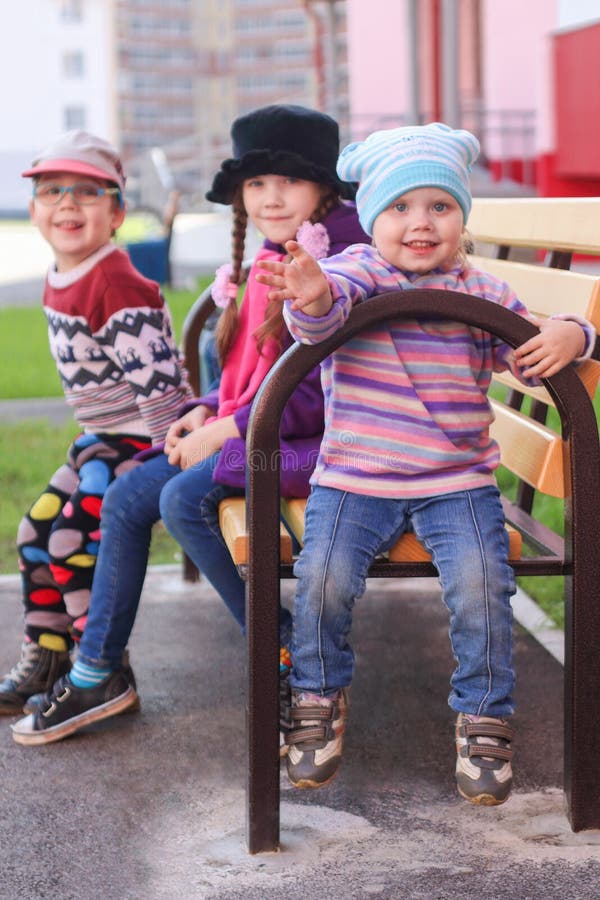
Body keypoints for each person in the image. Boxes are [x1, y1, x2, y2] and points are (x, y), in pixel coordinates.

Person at [254, 122, 595, 805]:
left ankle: (484, 716)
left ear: (461, 219)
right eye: (400, 207)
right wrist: (311, 290)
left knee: (481, 587)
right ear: (371, 218)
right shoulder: (356, 272)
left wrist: (574, 332)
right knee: (321, 578)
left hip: (456, 481)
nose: (420, 223)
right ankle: (319, 695)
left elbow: (531, 353)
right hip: (357, 477)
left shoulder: (483, 293)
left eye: (439, 206)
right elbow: (319, 320)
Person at [11, 104, 369, 746]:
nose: (270, 197)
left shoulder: (334, 260)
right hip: (269, 435)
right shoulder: (279, 249)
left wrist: (223, 430)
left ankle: (290, 653)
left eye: (287, 181)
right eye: (256, 185)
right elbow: (253, 378)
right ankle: (98, 671)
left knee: (181, 497)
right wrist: (209, 410)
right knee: (124, 498)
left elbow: (316, 398)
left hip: (328, 448)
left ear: (323, 187)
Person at [0, 131, 192, 716]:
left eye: (87, 193)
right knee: (34, 535)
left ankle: (100, 666)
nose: (67, 205)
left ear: (117, 213)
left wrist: (165, 459)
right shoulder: (64, 273)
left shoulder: (114, 282)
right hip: (101, 440)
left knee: (67, 541)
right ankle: (49, 652)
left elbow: (159, 388)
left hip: (142, 441)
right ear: (31, 210)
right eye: (52, 191)